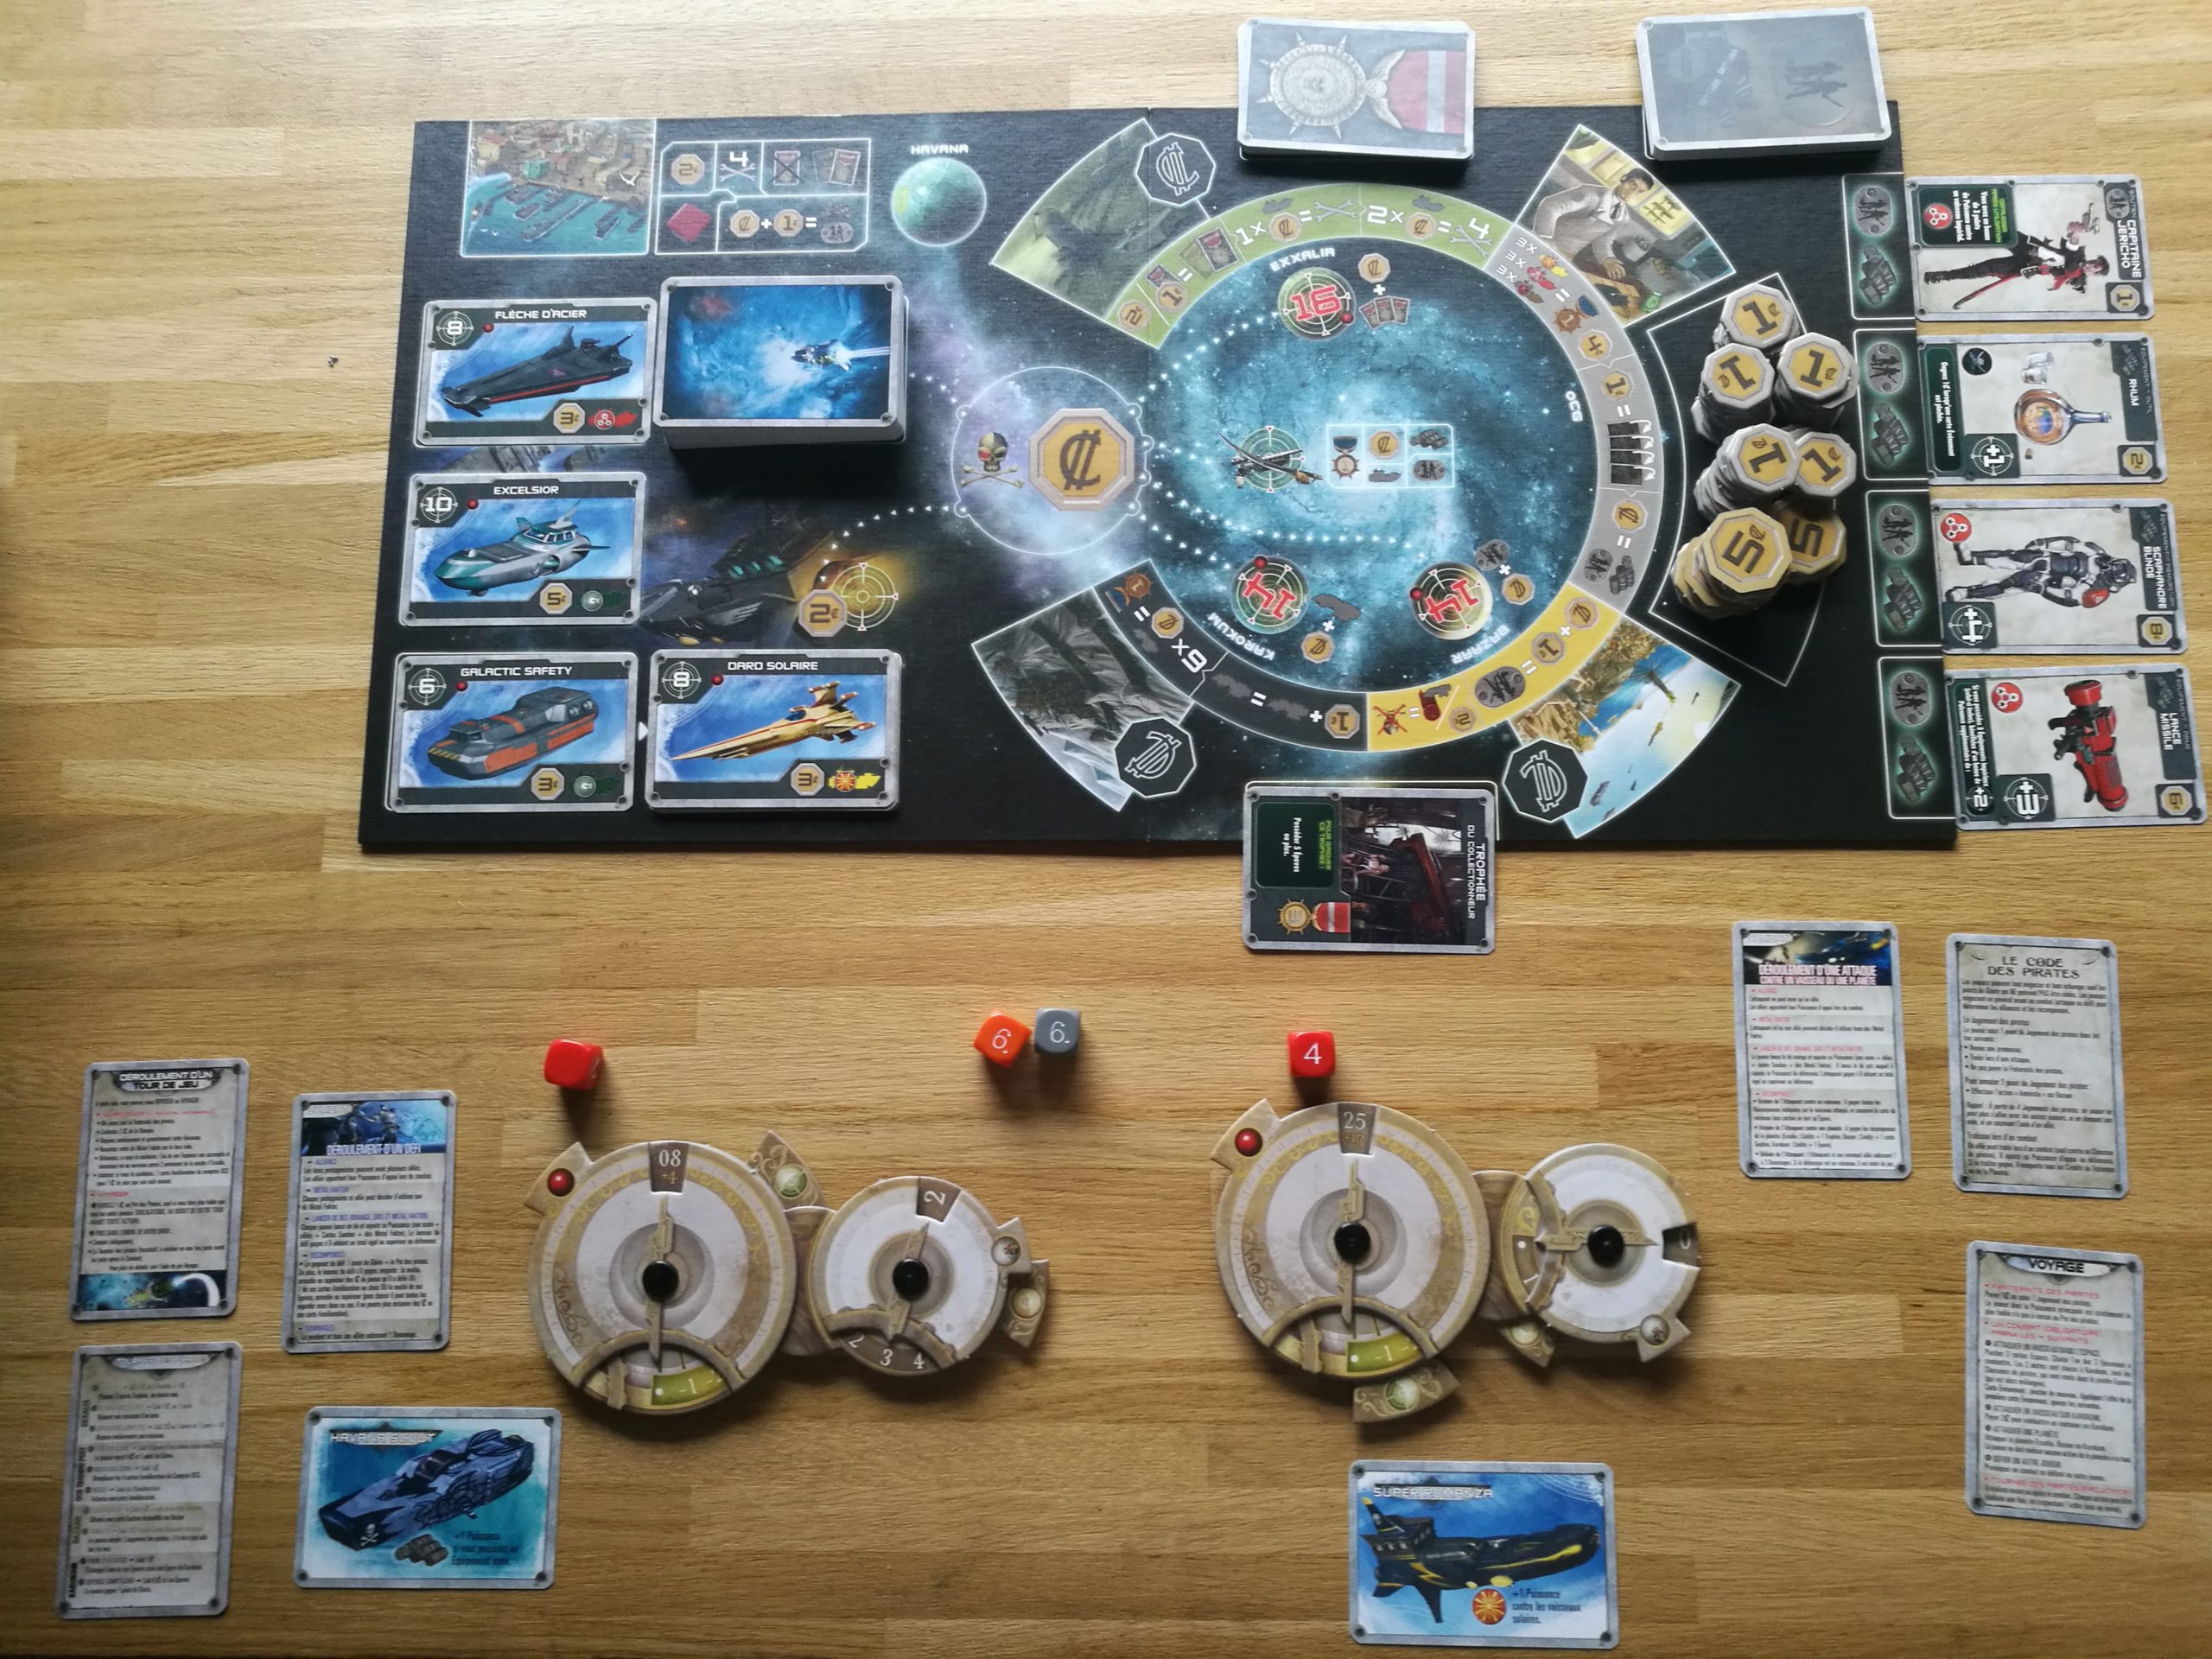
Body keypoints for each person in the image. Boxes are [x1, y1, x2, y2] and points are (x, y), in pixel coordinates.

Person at [1923, 231, 2109, 308]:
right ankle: (1942, 233)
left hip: (2025, 265)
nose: (2091, 264)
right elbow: (2069, 246)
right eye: (2094, 262)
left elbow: (2069, 268)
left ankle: (1942, 276)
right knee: (1998, 232)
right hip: (2030, 247)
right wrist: (2074, 233)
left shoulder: (2077, 277)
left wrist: (2074, 241)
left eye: (2095, 267)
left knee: (1984, 268)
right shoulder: (2078, 256)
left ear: (2094, 273)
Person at [1947, 535, 2136, 607]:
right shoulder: (2096, 552)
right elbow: (2069, 543)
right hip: (2045, 558)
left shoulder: (2096, 586)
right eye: (2117, 565)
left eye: (2117, 571)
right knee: (2015, 556)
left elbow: (2070, 598)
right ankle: (1970, 557)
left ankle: (1967, 593)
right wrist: (2044, 543)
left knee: (2009, 583)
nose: (2112, 567)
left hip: (2046, 578)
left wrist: (2043, 590)